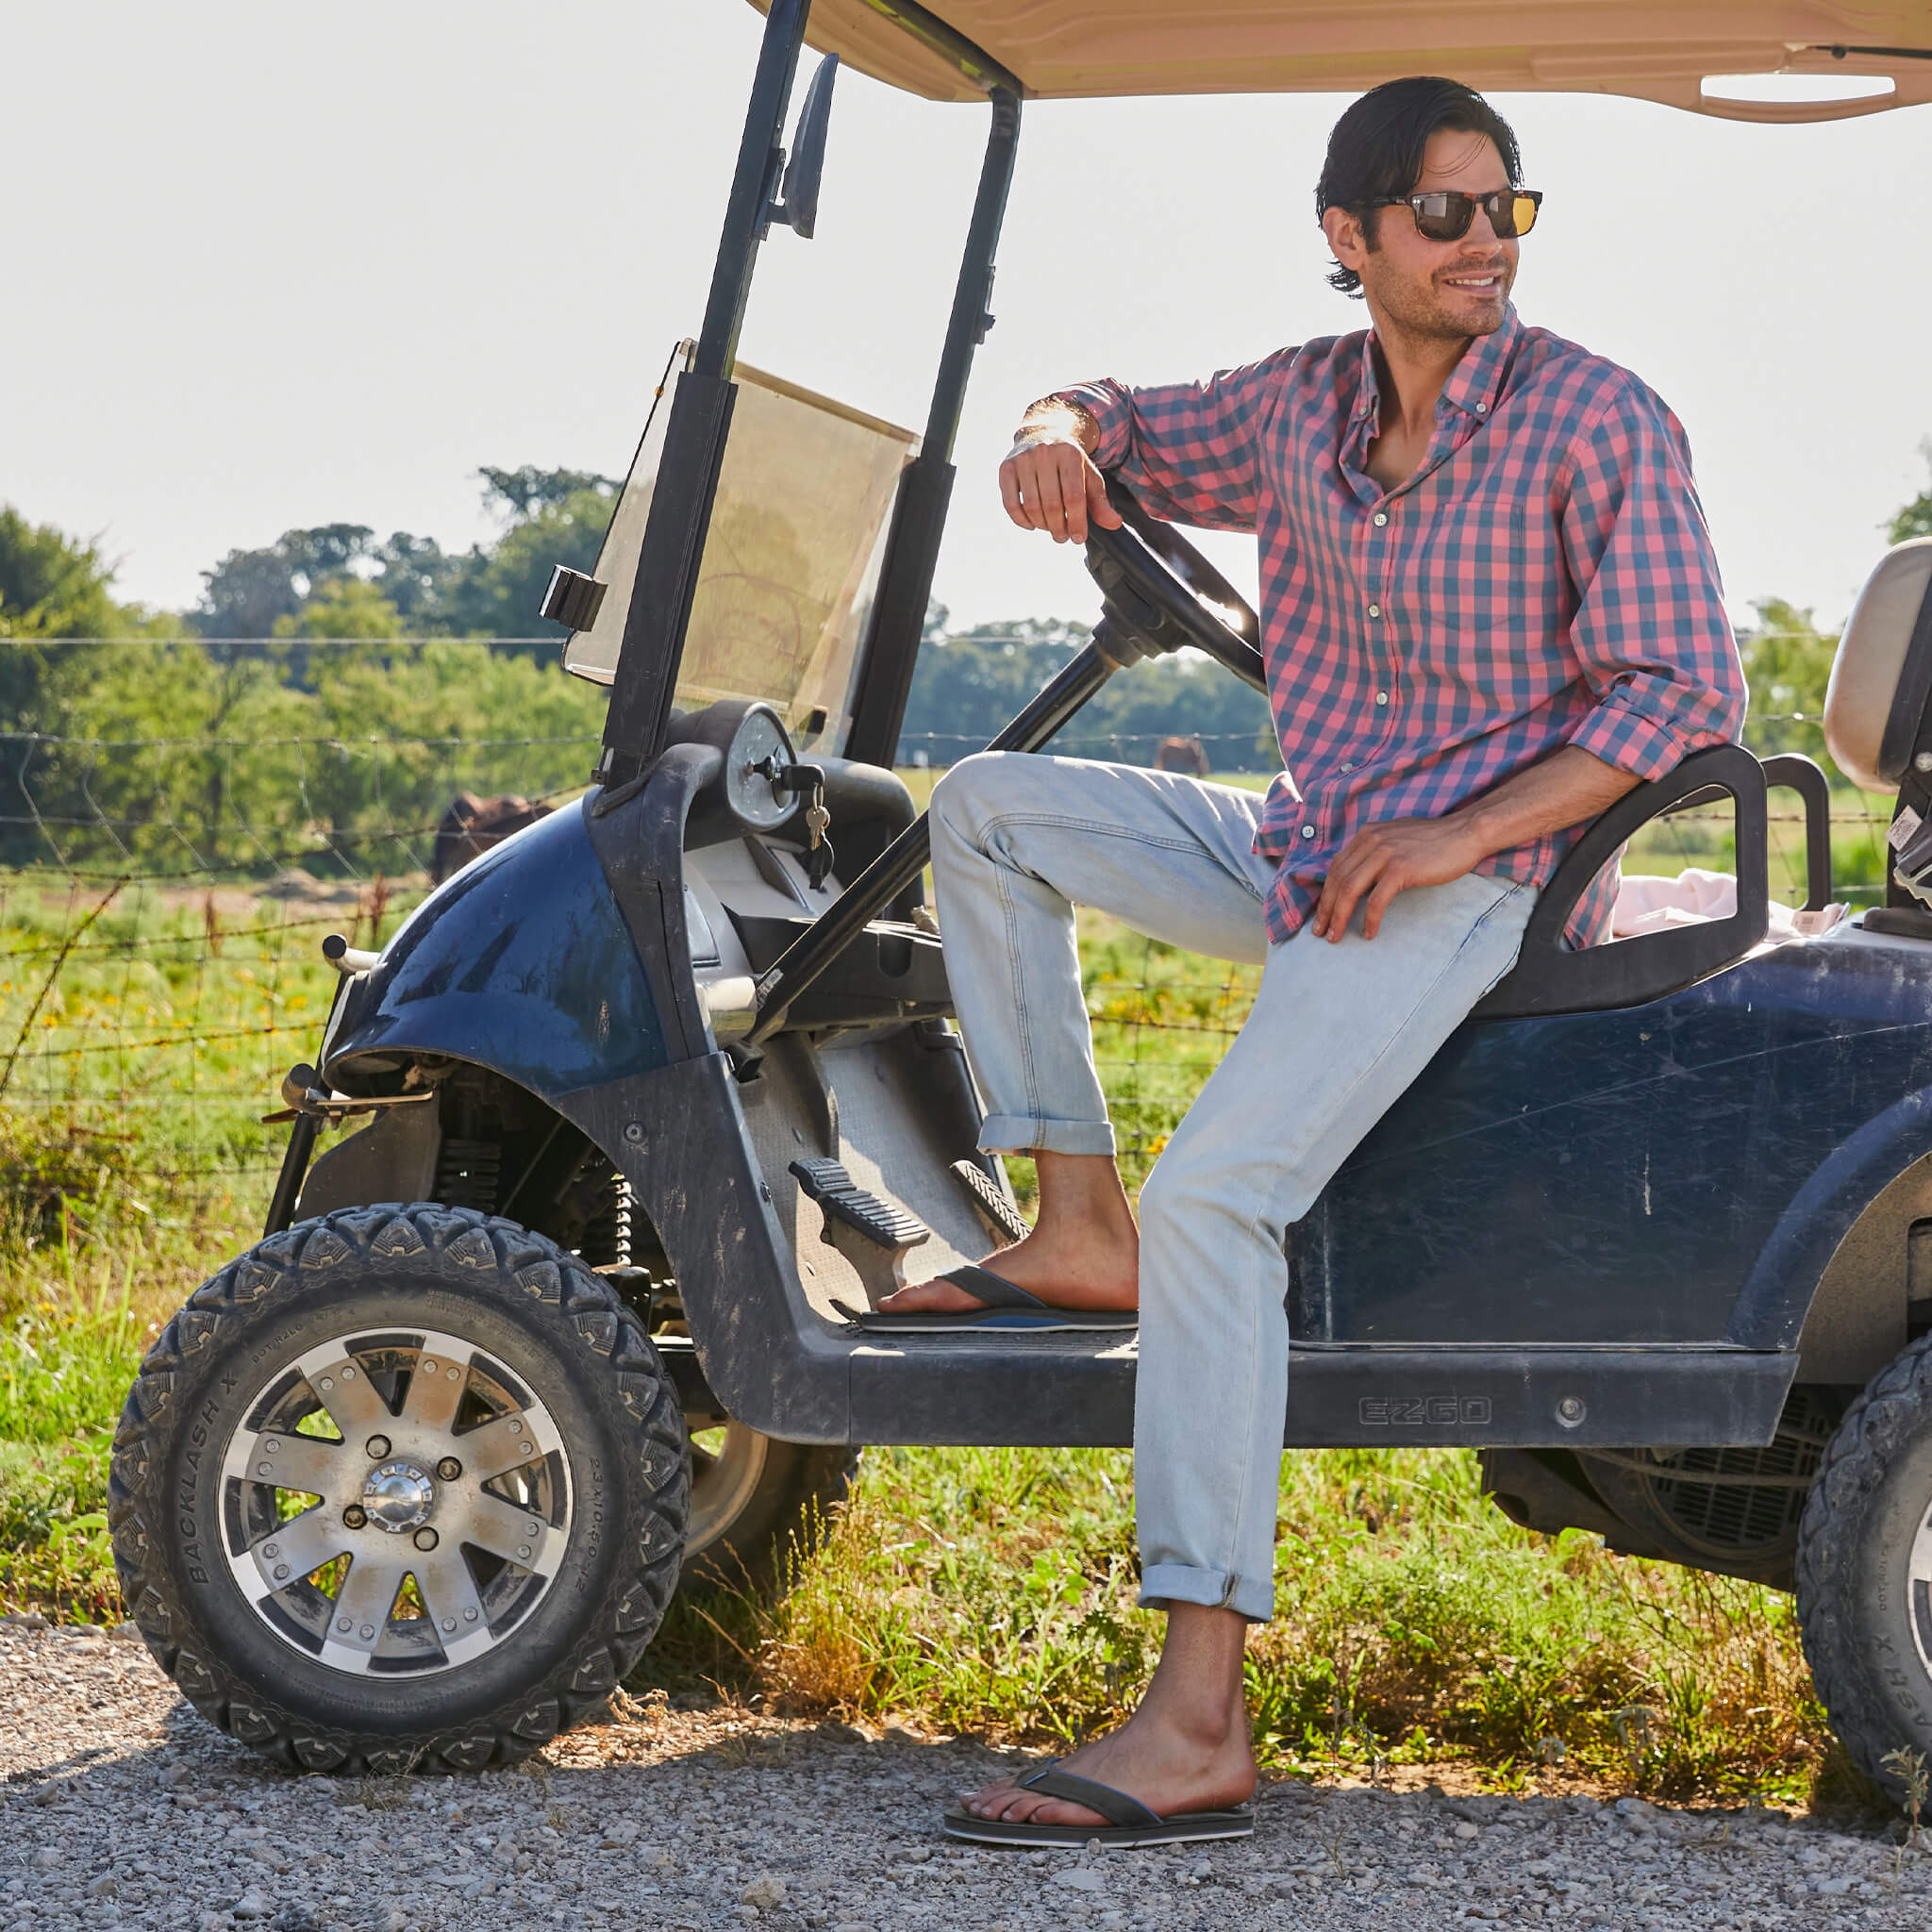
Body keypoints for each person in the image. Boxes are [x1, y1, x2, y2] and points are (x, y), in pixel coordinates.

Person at [882, 75, 1746, 1843]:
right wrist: (1055, 425)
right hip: (1307, 846)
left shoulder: (1597, 421)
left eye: (1510, 208)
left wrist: (1459, 835)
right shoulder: (1295, 405)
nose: (1488, 242)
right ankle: (1073, 1225)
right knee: (981, 806)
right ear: (1351, 238)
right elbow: (1118, 414)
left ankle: (1196, 1719)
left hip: (1470, 885)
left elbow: (1680, 695)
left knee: (1229, 1201)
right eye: (1448, 214)